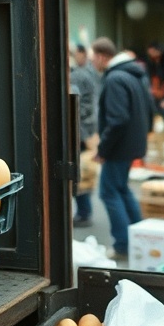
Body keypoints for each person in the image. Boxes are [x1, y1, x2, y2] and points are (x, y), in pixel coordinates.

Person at [91, 37, 153, 258]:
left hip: (120, 146)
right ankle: (139, 236)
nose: (93, 63)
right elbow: (150, 108)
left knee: (109, 191)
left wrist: (103, 149)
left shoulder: (116, 78)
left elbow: (117, 119)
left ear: (101, 56)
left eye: (93, 58)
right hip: (131, 143)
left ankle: (123, 245)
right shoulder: (132, 75)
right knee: (122, 189)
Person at [70, 44, 101, 226]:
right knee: (83, 170)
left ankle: (83, 212)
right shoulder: (87, 73)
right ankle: (84, 211)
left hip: (80, 130)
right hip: (87, 129)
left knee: (79, 171)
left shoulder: (77, 76)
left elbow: (75, 104)